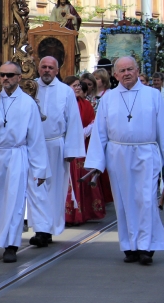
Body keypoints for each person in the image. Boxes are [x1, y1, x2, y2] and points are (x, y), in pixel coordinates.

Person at [84, 56, 164, 265]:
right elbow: (100, 132)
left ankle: (146, 246)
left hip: (146, 153)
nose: (126, 73)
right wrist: (96, 164)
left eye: (130, 69)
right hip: (118, 154)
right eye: (122, 71)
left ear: (137, 71)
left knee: (145, 199)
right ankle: (129, 246)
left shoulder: (153, 95)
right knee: (123, 201)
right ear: (115, 75)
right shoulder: (108, 99)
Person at [0, 62, 49, 263]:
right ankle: (0, 239)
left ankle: (12, 245)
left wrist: (40, 169)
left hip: (17, 153)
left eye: (10, 75)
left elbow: (35, 137)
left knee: (16, 201)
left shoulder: (28, 103)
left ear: (19, 78)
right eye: (2, 75)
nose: (5, 78)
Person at [27, 57, 84, 248]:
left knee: (55, 188)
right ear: (38, 68)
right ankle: (40, 229)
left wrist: (72, 149)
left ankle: (49, 228)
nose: (47, 70)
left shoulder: (66, 91)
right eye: (43, 67)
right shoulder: (30, 87)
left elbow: (73, 121)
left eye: (51, 68)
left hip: (56, 144)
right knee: (36, 187)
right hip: (35, 146)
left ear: (57, 70)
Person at [62, 76, 104, 225]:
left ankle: (84, 212)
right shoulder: (63, 103)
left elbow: (92, 121)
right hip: (68, 145)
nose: (78, 88)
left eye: (79, 85)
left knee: (82, 179)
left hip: (83, 147)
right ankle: (69, 214)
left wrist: (86, 130)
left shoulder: (86, 104)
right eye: (75, 86)